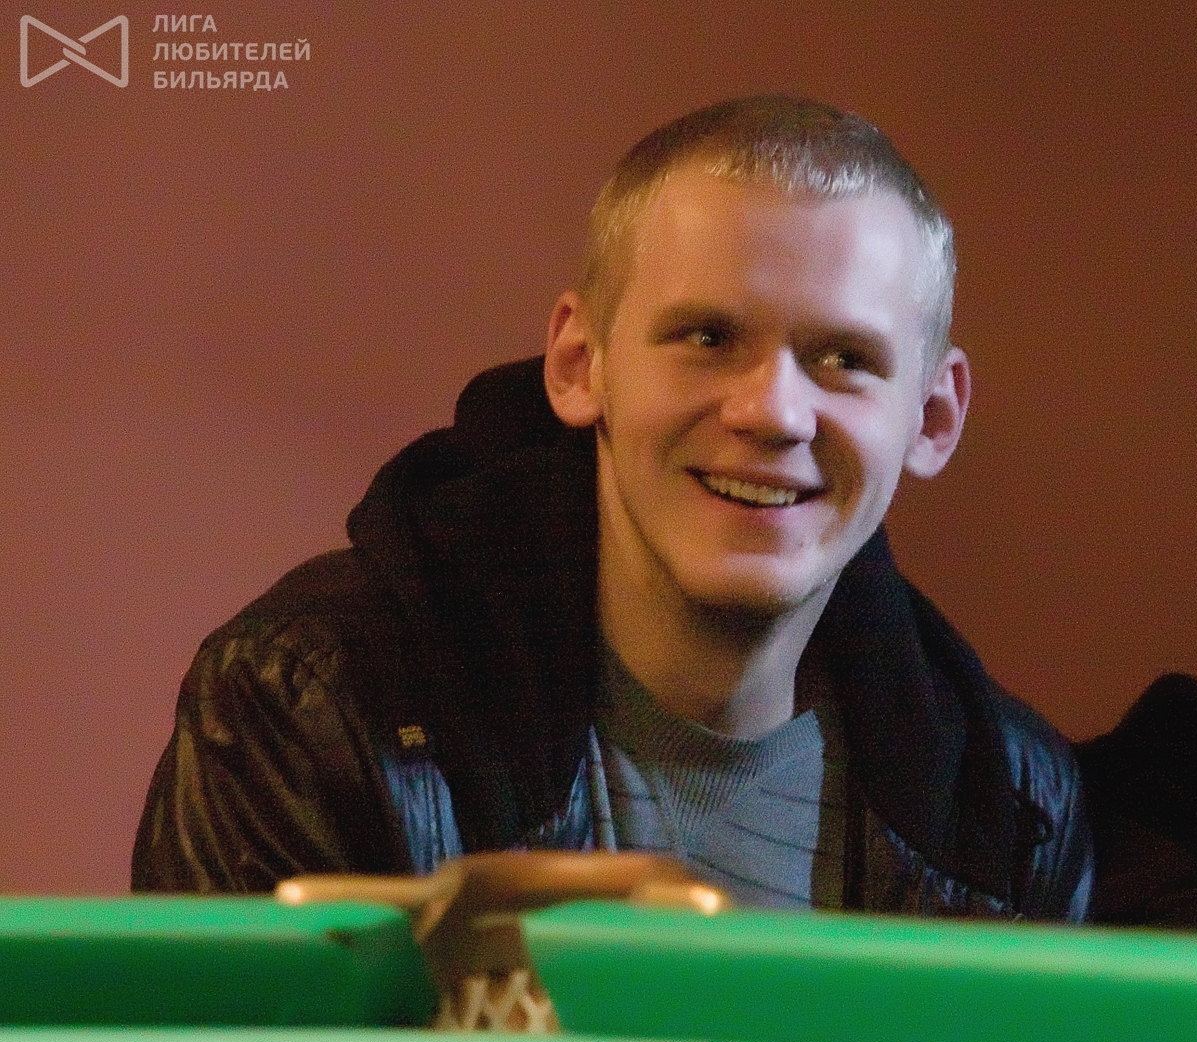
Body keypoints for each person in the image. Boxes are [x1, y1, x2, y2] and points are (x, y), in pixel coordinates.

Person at [133, 95, 1093, 922]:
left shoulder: (1019, 808)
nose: (773, 412)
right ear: (578, 365)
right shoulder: (307, 708)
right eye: (708, 337)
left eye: (844, 358)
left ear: (933, 417)